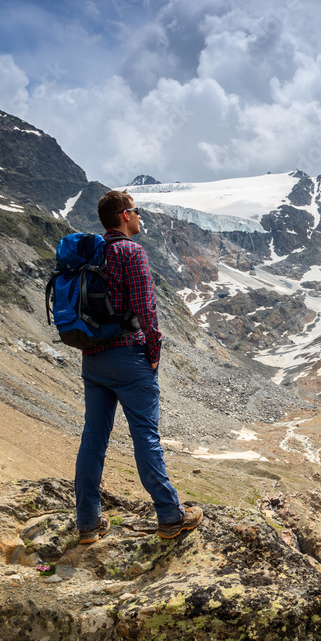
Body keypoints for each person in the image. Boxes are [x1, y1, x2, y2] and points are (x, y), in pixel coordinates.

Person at [74, 189, 202, 543]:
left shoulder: (94, 251)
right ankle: (169, 516)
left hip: (93, 358)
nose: (141, 217)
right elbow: (146, 309)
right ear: (125, 215)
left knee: (93, 439)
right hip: (129, 357)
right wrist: (154, 350)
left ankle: (87, 524)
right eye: (138, 211)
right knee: (145, 436)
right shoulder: (131, 251)